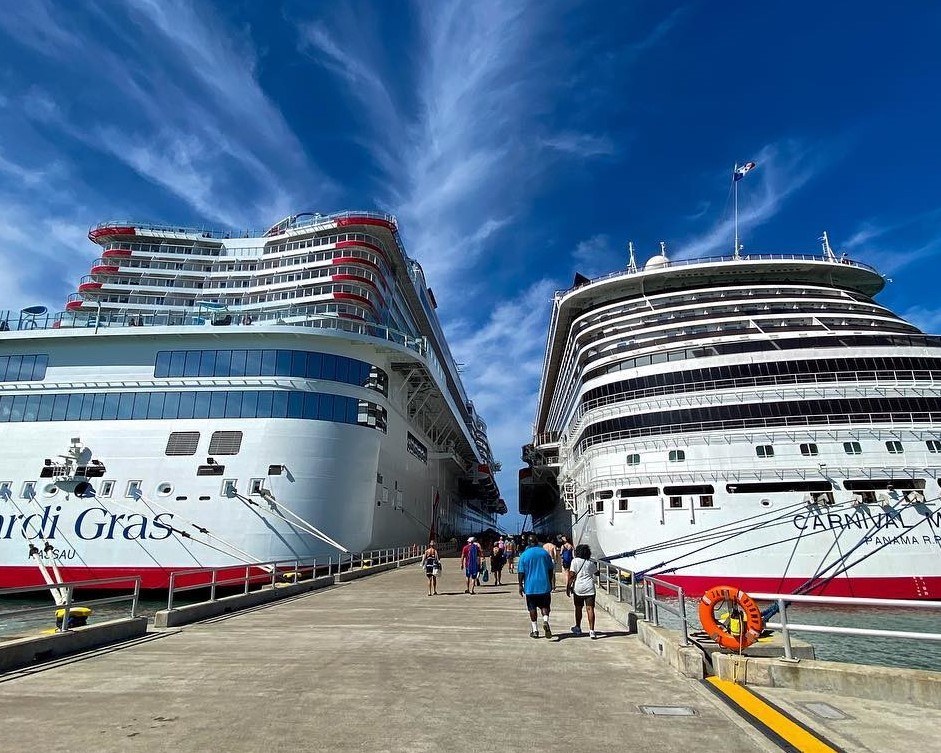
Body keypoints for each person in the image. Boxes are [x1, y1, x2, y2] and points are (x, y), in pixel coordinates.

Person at [517, 534, 555, 638]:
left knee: (532, 608)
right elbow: (550, 569)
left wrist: (520, 585)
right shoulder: (544, 553)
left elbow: (521, 572)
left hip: (530, 586)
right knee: (545, 606)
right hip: (544, 585)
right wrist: (550, 581)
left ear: (528, 543)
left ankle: (535, 630)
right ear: (537, 542)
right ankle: (545, 620)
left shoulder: (524, 555)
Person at [566, 543, 599, 639]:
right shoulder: (590, 563)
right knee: (590, 609)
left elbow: (572, 575)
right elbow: (597, 573)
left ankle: (578, 627)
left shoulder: (575, 561)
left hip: (578, 588)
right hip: (590, 588)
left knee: (578, 608)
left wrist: (568, 587)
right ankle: (592, 631)